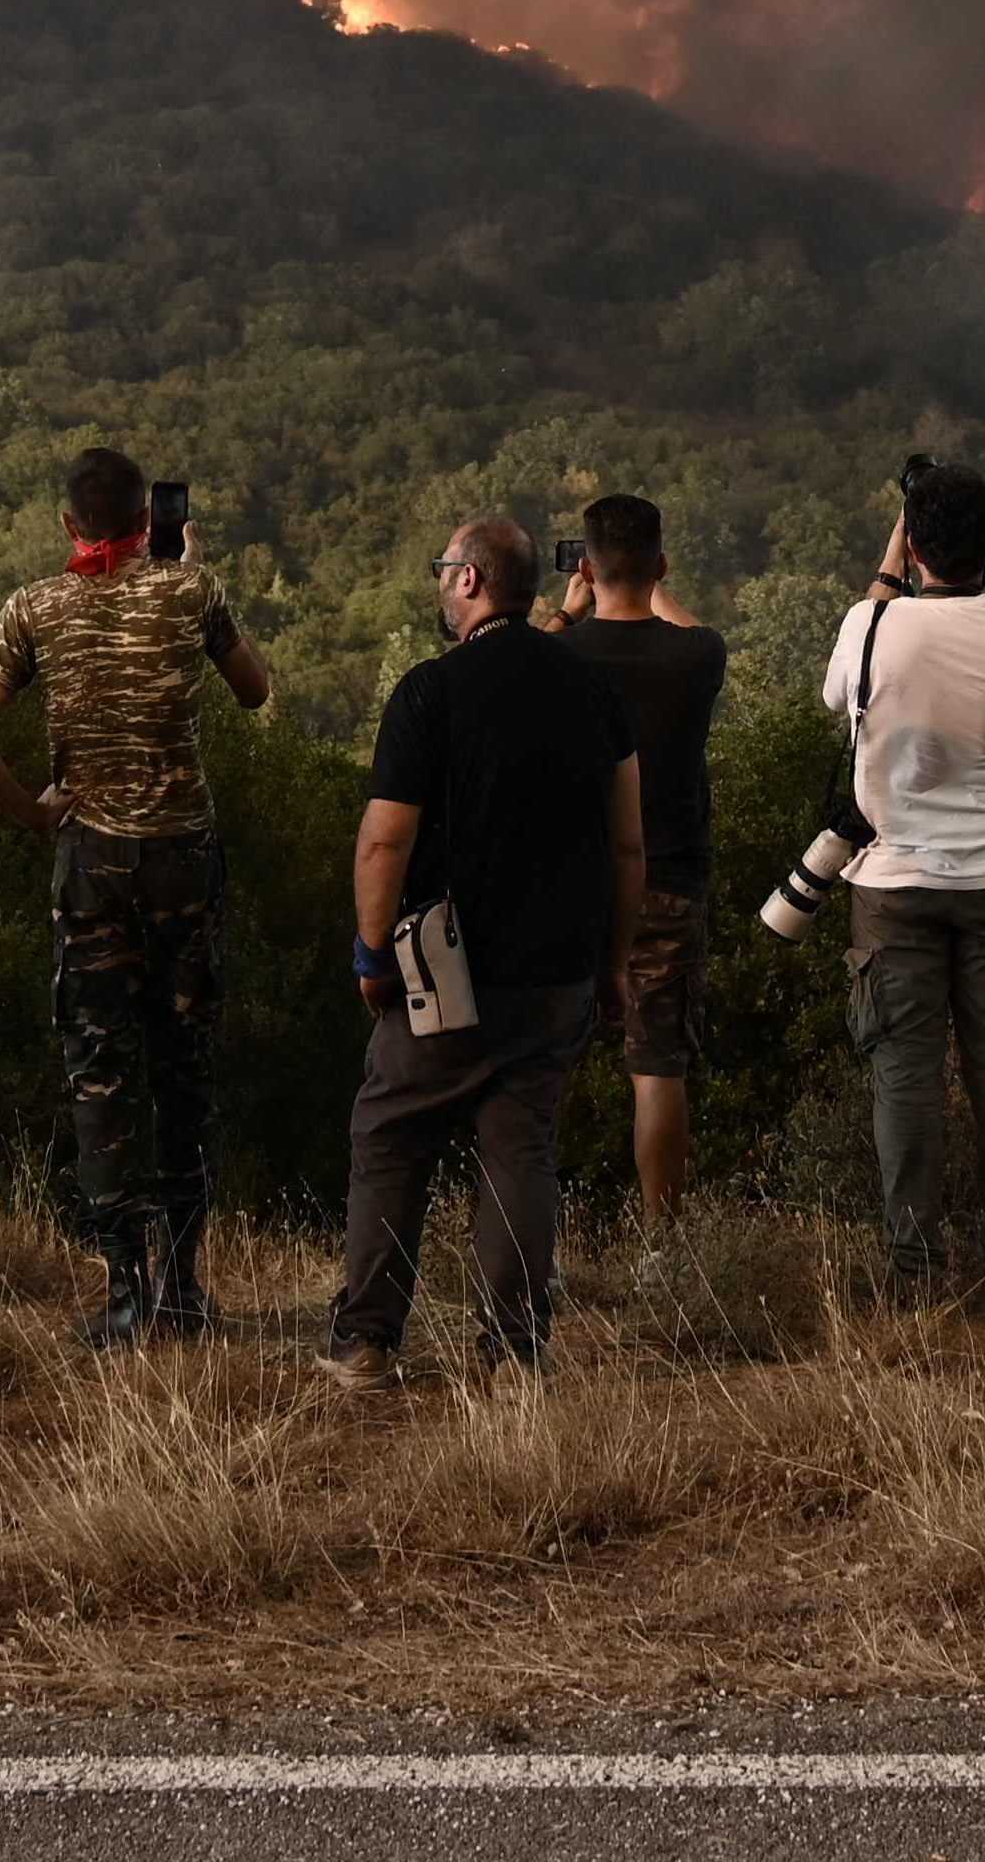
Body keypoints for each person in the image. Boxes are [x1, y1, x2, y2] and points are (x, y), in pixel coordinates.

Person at [0, 448, 274, 1347]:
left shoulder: (33, 607)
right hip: (181, 860)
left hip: (89, 862)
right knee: (184, 1070)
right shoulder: (188, 592)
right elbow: (255, 694)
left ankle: (126, 1292)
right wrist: (193, 577)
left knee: (100, 1071)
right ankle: (183, 1286)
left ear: (69, 526)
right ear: (149, 521)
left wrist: (35, 815)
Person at [323, 516, 641, 1388]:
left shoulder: (432, 691)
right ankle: (512, 1357)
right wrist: (614, 965)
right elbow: (627, 848)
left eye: (443, 569)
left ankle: (366, 1342)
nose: (439, 581)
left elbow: (385, 842)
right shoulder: (592, 692)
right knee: (521, 1155)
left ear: (470, 581)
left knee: (389, 1134)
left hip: (444, 969)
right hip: (558, 970)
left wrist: (371, 953)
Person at [828, 461, 985, 1315]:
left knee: (906, 1077)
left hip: (894, 885)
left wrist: (899, 542)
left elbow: (852, 673)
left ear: (916, 544)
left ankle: (916, 1278)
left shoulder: (869, 627)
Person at [555, 494, 726, 1248]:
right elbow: (690, 627)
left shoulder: (558, 657)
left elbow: (511, 658)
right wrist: (652, 585)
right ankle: (662, 1247)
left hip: (571, 882)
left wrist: (568, 612)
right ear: (659, 566)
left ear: (585, 567)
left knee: (543, 1063)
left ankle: (532, 1240)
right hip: (669, 881)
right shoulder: (695, 657)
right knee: (658, 1065)